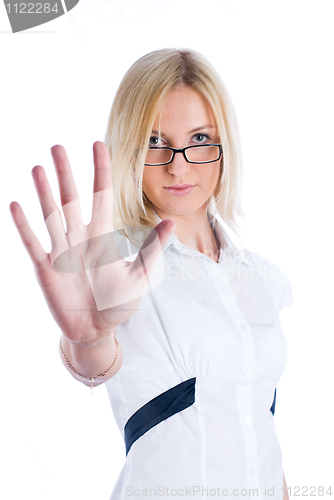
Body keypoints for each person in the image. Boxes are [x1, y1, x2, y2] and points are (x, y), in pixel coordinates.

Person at [9, 48, 292, 500]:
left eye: (199, 138)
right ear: (130, 149)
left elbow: (258, 424)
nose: (178, 166)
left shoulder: (262, 279)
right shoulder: (114, 262)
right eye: (155, 142)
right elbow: (96, 364)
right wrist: (88, 339)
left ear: (225, 147)